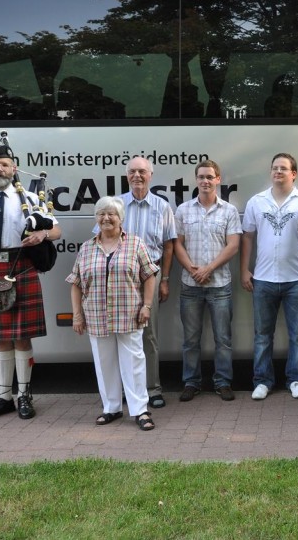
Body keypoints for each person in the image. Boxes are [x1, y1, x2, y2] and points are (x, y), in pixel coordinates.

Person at [0, 143, 62, 422]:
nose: (0, 169)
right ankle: (4, 397)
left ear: (14, 168)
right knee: (1, 339)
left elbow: (56, 229)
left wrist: (42, 235)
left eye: (5, 164)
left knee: (22, 337)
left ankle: (25, 396)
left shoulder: (30, 198)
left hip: (22, 267)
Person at [68, 196, 160, 431]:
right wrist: (77, 315)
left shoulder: (135, 244)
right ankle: (111, 408)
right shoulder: (87, 247)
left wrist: (147, 306)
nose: (106, 218)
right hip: (97, 316)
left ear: (121, 218)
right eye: (101, 214)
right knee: (104, 363)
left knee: (134, 363)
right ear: (96, 218)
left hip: (129, 315)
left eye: (111, 214)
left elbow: (149, 276)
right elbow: (76, 283)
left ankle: (140, 410)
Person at [97, 156, 176, 409]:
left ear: (150, 175)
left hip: (149, 280)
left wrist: (164, 278)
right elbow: (100, 238)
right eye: (132, 171)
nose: (137, 176)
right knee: (120, 335)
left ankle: (152, 390)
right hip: (121, 280)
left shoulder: (162, 206)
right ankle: (124, 392)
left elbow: (168, 245)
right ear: (127, 175)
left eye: (142, 171)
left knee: (148, 336)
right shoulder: (116, 205)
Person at [240, 153, 298, 400]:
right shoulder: (256, 202)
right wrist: (244, 269)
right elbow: (247, 236)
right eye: (274, 168)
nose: (278, 172)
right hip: (263, 278)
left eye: (283, 168)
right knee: (262, 334)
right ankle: (262, 380)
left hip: (297, 278)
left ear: (294, 173)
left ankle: (296, 379)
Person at [175, 159, 242, 402]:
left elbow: (234, 245)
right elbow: (177, 244)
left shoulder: (229, 211)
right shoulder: (183, 210)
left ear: (218, 179)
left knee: (223, 339)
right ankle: (191, 383)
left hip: (220, 285)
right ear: (196, 180)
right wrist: (193, 269)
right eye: (201, 177)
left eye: (209, 177)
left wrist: (209, 268)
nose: (205, 181)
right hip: (190, 285)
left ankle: (223, 381)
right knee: (190, 339)